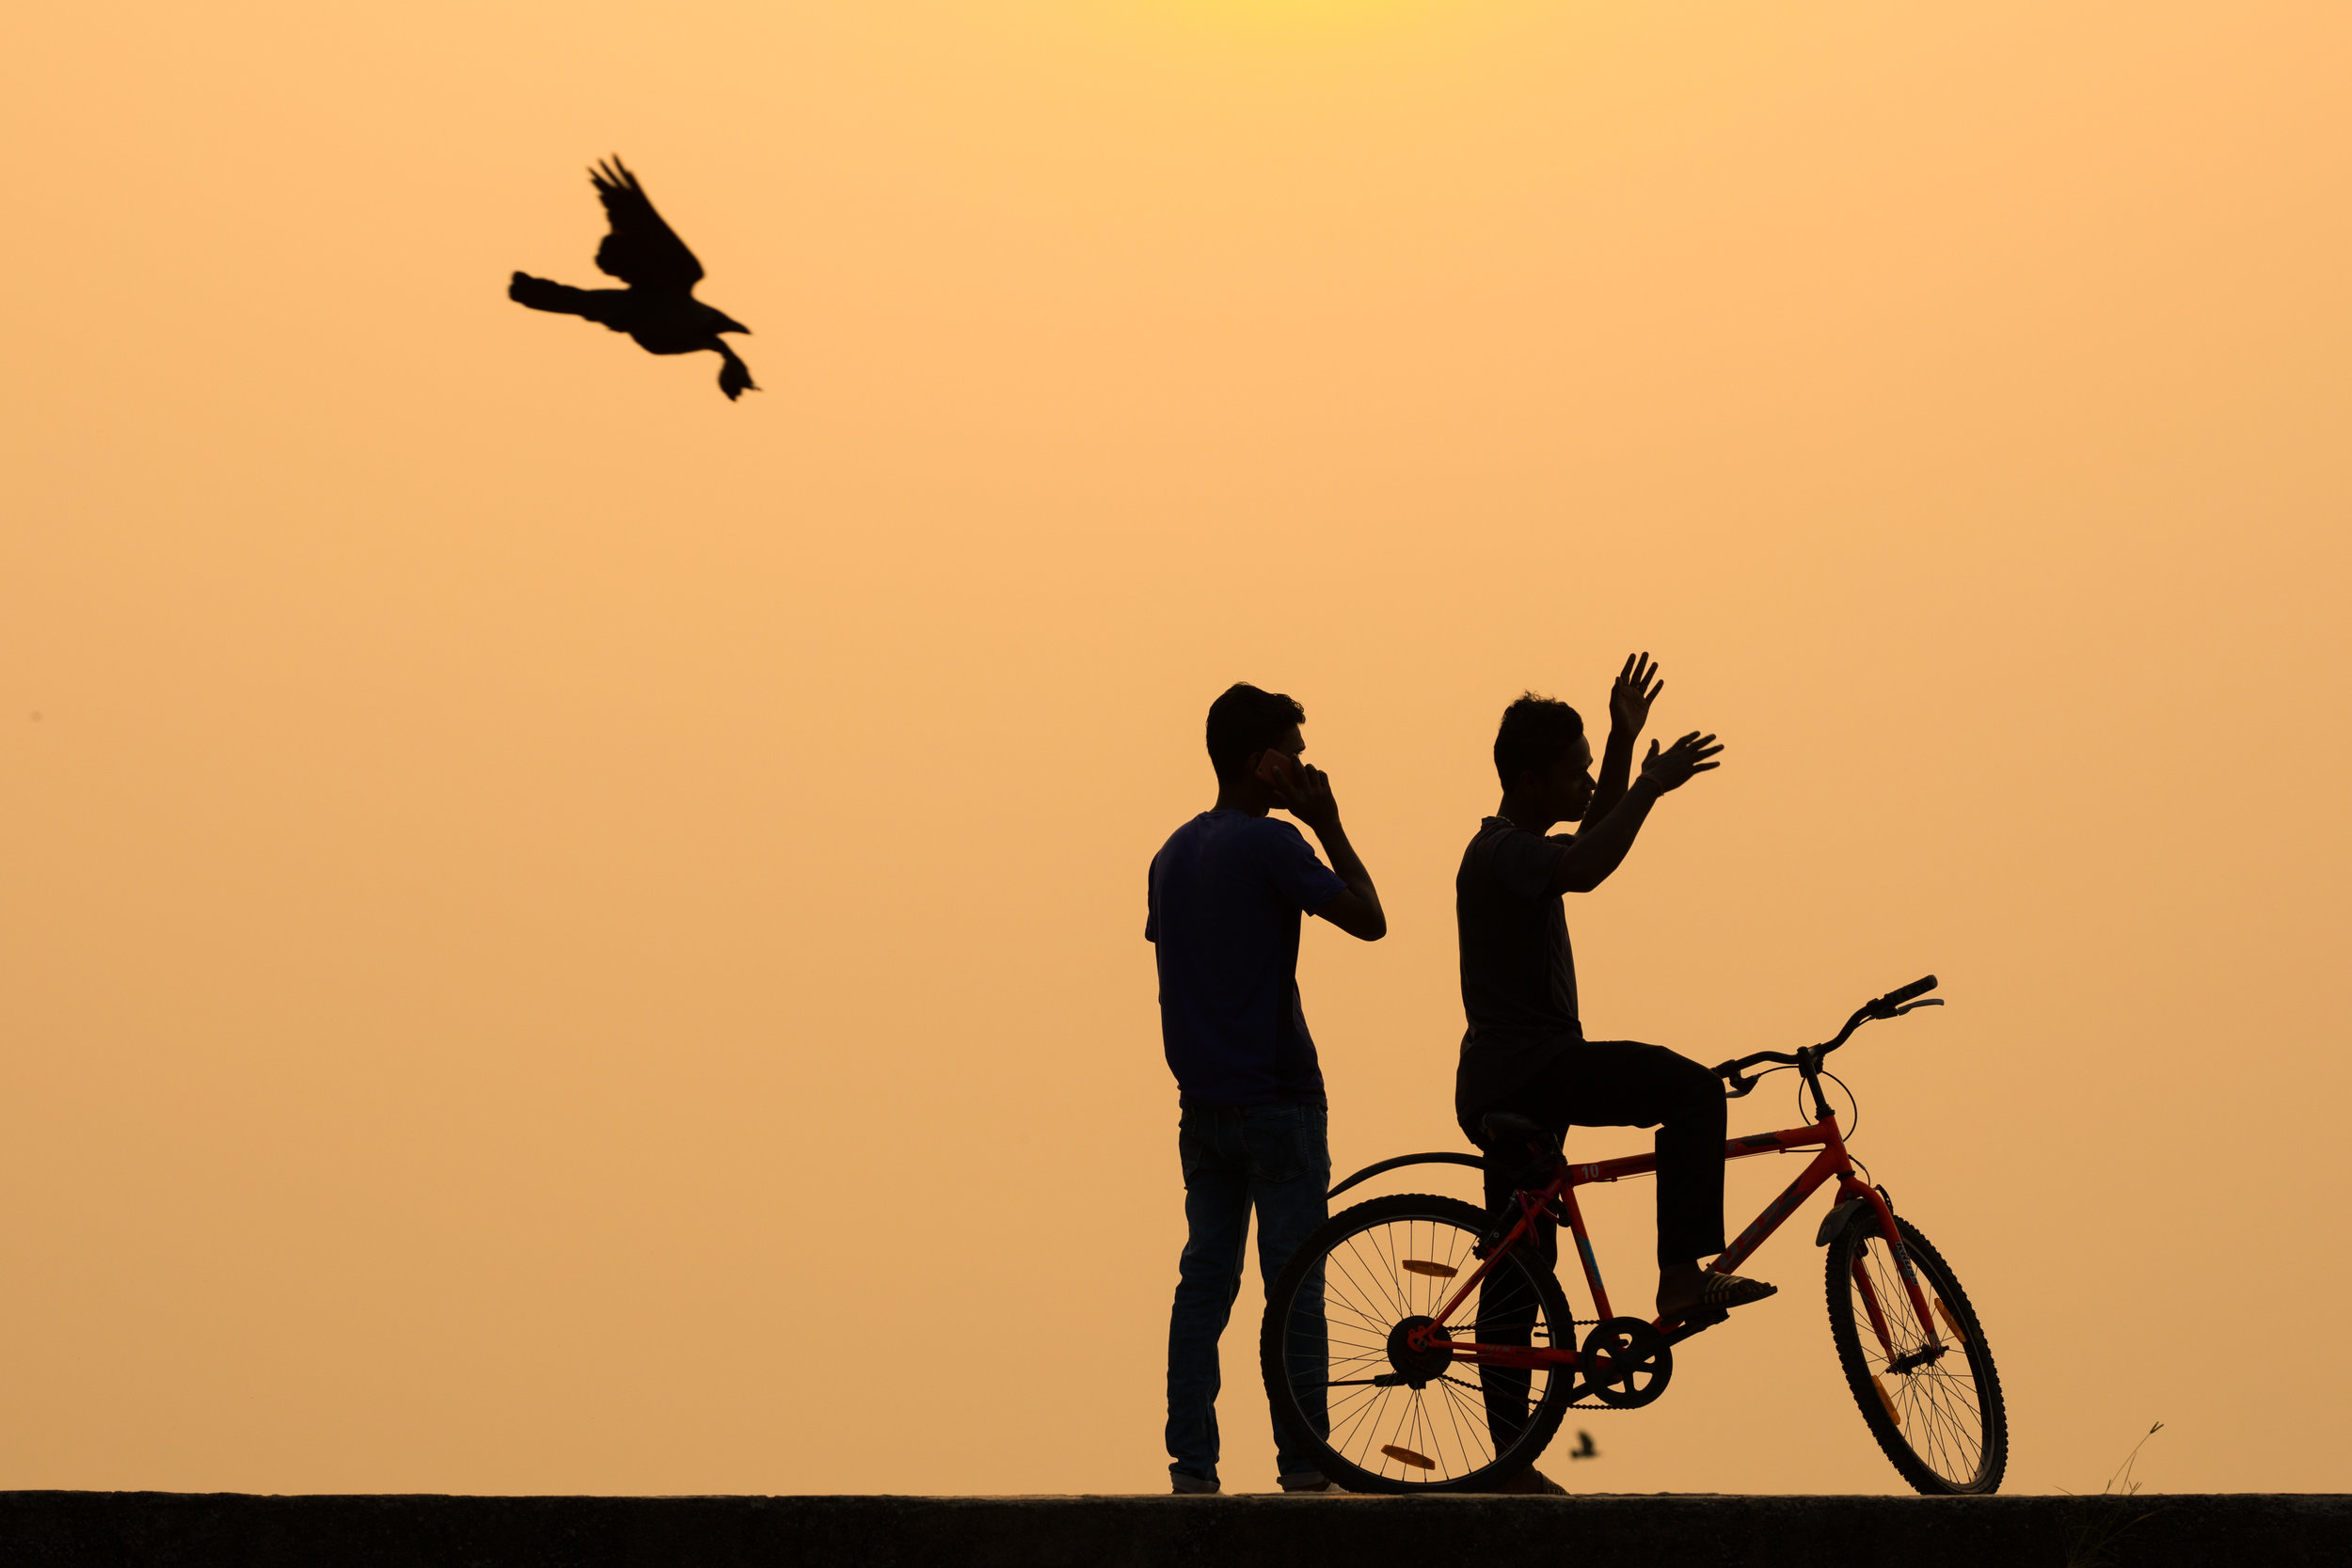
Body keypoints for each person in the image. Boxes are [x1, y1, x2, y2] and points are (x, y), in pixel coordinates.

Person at [1454, 657, 1774, 1478]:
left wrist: (1628, 747)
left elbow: (1589, 833)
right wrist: (1650, 789)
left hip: (1515, 1077)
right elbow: (1589, 863)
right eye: (1576, 767)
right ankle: (1678, 1279)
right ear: (1529, 780)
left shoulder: (1515, 848)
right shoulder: (1504, 852)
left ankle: (1508, 1453)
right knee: (1692, 1090)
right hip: (1533, 1071)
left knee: (1522, 1261)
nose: (1587, 777)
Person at [1148, 683, 1386, 1497]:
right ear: (1263, 763)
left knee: (1204, 1281)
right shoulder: (1274, 843)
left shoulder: (1172, 852)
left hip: (1203, 1103)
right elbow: (1369, 916)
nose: (1308, 766)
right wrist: (1328, 824)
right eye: (1296, 750)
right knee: (1296, 1287)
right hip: (1279, 1100)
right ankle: (1304, 1466)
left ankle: (1192, 1466)